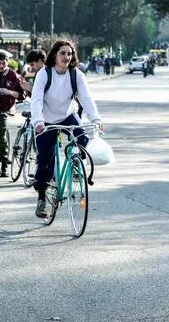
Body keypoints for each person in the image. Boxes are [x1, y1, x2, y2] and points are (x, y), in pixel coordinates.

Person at [30, 40, 103, 218]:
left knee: (83, 139)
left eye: (69, 54)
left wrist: (96, 119)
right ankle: (41, 198)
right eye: (63, 53)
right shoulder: (44, 74)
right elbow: (36, 99)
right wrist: (38, 122)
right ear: (55, 55)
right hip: (47, 120)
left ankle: (76, 167)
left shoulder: (76, 75)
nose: (66, 57)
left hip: (68, 115)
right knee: (44, 158)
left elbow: (86, 97)